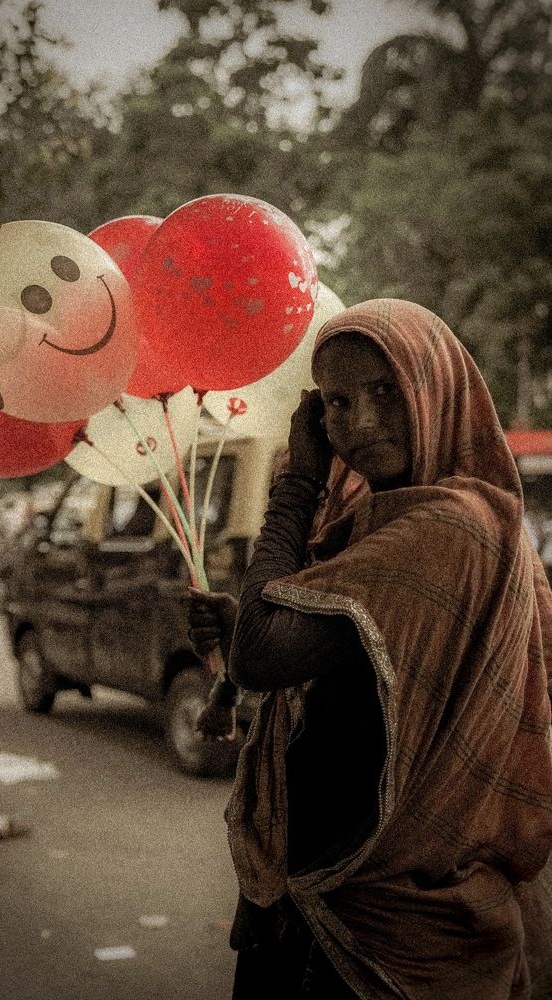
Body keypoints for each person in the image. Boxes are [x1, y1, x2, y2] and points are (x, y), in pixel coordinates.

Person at [188, 298, 552, 1000]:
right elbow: (323, 672)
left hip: (383, 919)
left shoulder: (454, 524)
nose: (357, 424)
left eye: (385, 392)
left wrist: (296, 481)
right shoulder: (374, 525)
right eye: (336, 401)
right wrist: (245, 629)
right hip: (316, 893)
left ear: (435, 389)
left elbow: (263, 657)